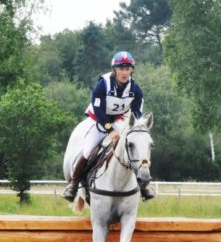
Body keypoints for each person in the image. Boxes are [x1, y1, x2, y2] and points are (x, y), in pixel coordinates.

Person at [62, 51, 156, 202]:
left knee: (133, 147)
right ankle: (73, 185)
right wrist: (110, 130)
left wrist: (137, 129)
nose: (124, 72)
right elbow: (99, 111)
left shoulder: (136, 90)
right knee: (87, 150)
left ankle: (143, 186)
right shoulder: (103, 84)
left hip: (120, 120)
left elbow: (137, 113)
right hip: (99, 120)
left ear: (132, 70)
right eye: (121, 68)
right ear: (115, 69)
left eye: (127, 68)